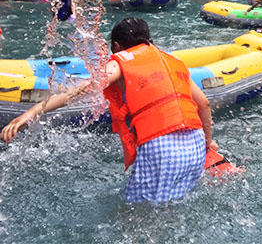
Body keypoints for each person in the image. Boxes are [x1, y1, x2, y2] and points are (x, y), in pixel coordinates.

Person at [1, 18, 216, 204]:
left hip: (162, 147)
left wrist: (27, 115)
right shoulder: (174, 62)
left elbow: (75, 92)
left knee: (136, 216)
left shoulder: (120, 62)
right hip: (195, 143)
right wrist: (207, 143)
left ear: (117, 46)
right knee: (170, 206)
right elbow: (204, 104)